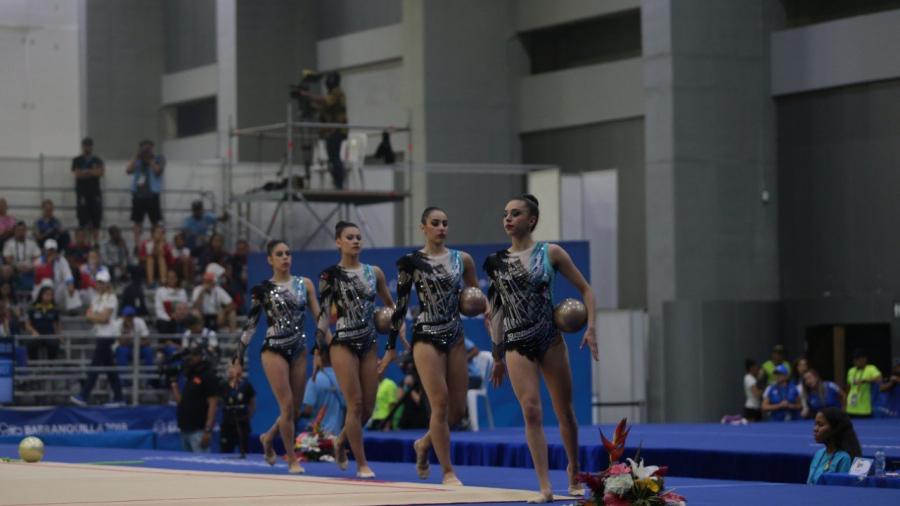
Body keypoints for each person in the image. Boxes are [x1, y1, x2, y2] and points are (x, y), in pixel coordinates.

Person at [484, 194, 599, 502]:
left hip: (549, 338)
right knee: (531, 412)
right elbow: (496, 311)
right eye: (506, 213)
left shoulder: (551, 252)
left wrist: (591, 328)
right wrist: (496, 356)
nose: (508, 218)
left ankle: (574, 470)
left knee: (565, 411)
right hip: (516, 341)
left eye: (516, 213)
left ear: (531, 220)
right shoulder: (496, 262)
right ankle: (544, 486)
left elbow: (587, 290)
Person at [385, 207, 482, 485]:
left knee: (457, 411)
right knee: (439, 404)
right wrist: (392, 345)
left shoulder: (462, 259)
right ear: (423, 227)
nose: (441, 228)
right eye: (435, 223)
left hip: (455, 334)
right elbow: (401, 305)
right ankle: (448, 471)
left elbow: (475, 297)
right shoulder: (411, 262)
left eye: (445, 223)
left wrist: (486, 314)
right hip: (426, 334)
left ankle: (424, 443)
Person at [316, 221, 400, 479]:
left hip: (368, 341)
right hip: (342, 343)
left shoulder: (373, 272)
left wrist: (396, 335)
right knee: (355, 403)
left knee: (368, 408)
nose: (356, 241)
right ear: (338, 242)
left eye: (358, 237)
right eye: (349, 237)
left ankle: (341, 440)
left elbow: (390, 305)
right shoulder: (330, 275)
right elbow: (323, 317)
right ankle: (361, 463)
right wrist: (319, 351)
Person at [234, 239, 323, 474]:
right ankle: (291, 459)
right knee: (285, 406)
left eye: (288, 253)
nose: (285, 257)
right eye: (279, 254)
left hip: (299, 349)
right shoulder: (262, 290)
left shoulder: (305, 284)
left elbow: (320, 318)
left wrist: (323, 347)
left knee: (293, 410)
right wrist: (237, 359)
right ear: (270, 259)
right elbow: (250, 327)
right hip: (274, 349)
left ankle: (268, 438)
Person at [70, 270, 123, 406]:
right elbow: (91, 316)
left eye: (102, 282)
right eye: (98, 282)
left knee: (95, 366)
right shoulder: (96, 297)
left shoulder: (112, 298)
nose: (99, 285)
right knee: (110, 369)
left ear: (107, 284)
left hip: (108, 336)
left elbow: (104, 318)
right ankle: (119, 397)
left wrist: (94, 316)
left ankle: (84, 395)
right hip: (100, 334)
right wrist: (95, 317)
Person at [171, 344, 219, 453]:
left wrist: (208, 430)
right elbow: (181, 403)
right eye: (190, 355)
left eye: (194, 355)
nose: (190, 358)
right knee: (187, 467)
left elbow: (213, 404)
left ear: (202, 356)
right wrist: (173, 385)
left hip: (199, 430)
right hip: (185, 429)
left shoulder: (208, 375)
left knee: (202, 466)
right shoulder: (191, 376)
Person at [304, 72, 347, 189]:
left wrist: (308, 95)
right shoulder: (331, 94)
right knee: (332, 158)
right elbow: (323, 107)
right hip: (330, 131)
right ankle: (337, 182)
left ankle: (339, 183)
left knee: (334, 157)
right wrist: (309, 104)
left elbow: (325, 101)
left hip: (337, 130)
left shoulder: (337, 93)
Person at [807, 407, 861, 484]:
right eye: (815, 424)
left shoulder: (844, 458)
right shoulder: (818, 453)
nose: (815, 429)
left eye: (820, 425)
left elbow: (840, 489)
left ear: (835, 429)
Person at [126, 139, 165, 246]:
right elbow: (128, 170)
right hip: (138, 195)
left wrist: (150, 159)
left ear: (152, 147)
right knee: (137, 222)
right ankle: (137, 246)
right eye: (143, 148)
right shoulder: (137, 160)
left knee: (155, 222)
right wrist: (137, 156)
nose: (146, 150)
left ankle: (155, 244)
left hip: (152, 194)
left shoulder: (158, 158)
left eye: (148, 148)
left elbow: (158, 171)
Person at [300, 347, 345, 435]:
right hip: (339, 437)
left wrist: (294, 415)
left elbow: (308, 411)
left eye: (315, 357)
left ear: (322, 357)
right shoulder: (343, 379)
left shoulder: (314, 380)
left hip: (318, 437)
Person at [71, 137, 105, 244]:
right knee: (83, 221)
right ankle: (85, 244)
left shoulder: (97, 160)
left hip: (95, 194)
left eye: (89, 145)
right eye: (85, 145)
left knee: (96, 222)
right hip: (82, 194)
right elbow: (77, 175)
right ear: (82, 146)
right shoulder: (77, 160)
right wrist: (92, 172)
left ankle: (96, 244)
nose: (87, 147)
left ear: (92, 146)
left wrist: (86, 172)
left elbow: (100, 173)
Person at [220, 360, 255, 457]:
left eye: (234, 367)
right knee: (225, 449)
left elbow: (252, 404)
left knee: (244, 448)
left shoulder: (246, 386)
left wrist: (247, 416)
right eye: (229, 368)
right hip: (227, 422)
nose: (231, 370)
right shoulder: (223, 385)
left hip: (242, 421)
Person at [32, 239, 79, 312]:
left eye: (53, 250)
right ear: (45, 250)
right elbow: (41, 276)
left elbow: (68, 274)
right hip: (41, 291)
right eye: (49, 250)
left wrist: (70, 284)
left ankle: (72, 309)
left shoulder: (61, 260)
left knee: (69, 284)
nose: (51, 252)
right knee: (47, 281)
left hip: (56, 290)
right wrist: (49, 263)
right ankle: (44, 307)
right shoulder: (38, 262)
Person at [23, 285, 62, 361]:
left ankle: (51, 368)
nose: (49, 297)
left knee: (54, 343)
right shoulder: (33, 308)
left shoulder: (54, 309)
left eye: (51, 295)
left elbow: (58, 324)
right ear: (41, 295)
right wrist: (33, 331)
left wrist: (59, 334)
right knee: (31, 343)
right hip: (36, 334)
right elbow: (27, 325)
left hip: (50, 335)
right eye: (47, 294)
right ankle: (34, 367)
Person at [3, 221, 41, 291]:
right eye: (18, 230)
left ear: (26, 231)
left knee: (41, 267)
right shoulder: (9, 243)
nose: (21, 232)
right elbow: (8, 259)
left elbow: (37, 258)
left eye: (23, 230)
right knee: (6, 269)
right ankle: (10, 295)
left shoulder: (32, 243)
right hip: (15, 269)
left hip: (30, 268)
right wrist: (18, 267)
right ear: (15, 231)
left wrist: (32, 266)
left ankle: (37, 293)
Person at [846, 349, 882, 418]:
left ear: (865, 359)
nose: (856, 361)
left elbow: (879, 378)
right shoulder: (851, 370)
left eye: (858, 359)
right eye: (854, 359)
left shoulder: (871, 368)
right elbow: (849, 386)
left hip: (864, 409)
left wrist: (865, 381)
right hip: (850, 408)